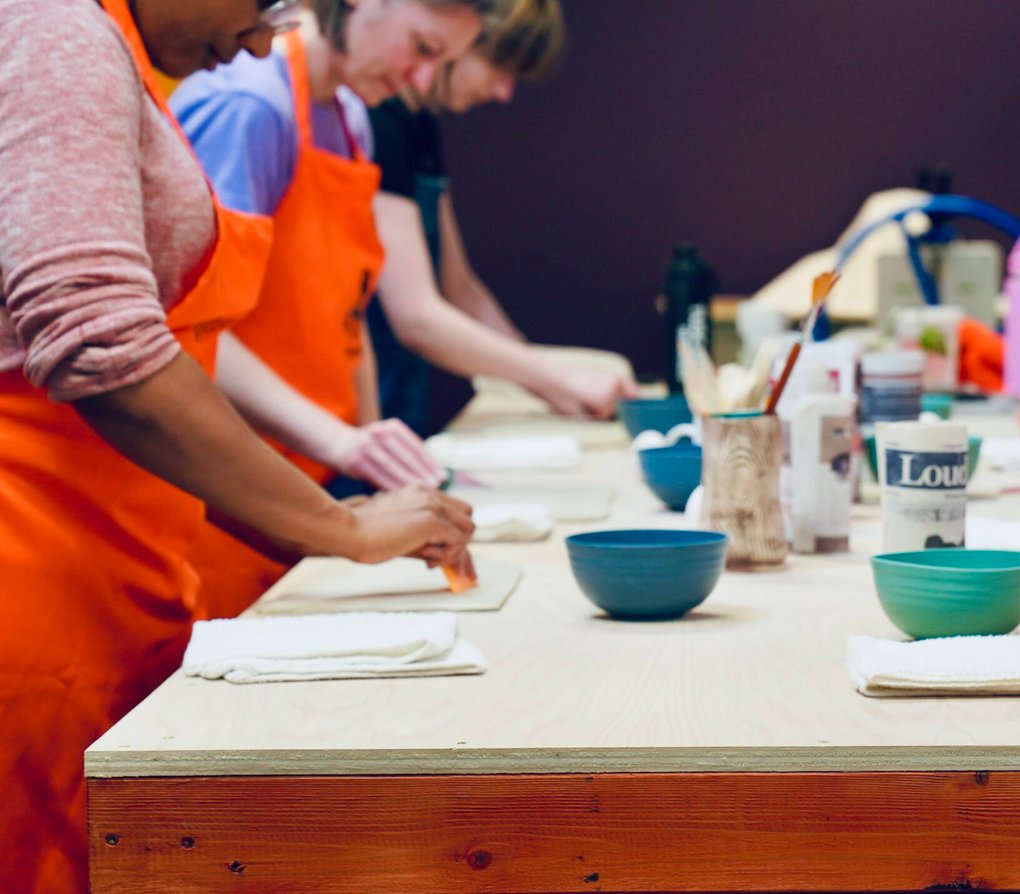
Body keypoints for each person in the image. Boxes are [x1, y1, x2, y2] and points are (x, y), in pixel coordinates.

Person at [0, 1, 475, 890]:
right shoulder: (55, 30)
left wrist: (325, 512)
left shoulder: (117, 56)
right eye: (263, 5)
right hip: (36, 583)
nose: (266, 40)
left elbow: (176, 352)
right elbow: (105, 345)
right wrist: (343, 530)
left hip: (117, 574)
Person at [171, 0, 497, 618]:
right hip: (229, 505)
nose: (423, 82)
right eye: (423, 49)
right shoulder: (250, 110)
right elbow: (189, 334)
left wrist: (384, 470)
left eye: (445, 62)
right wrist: (346, 444)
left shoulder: (350, 117)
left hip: (312, 494)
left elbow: (349, 313)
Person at [368, 0, 638, 439]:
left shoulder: (419, 126)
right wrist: (556, 377)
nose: (503, 92)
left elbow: (461, 291)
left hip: (401, 413)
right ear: (462, 38)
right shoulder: (378, 122)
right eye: (500, 67)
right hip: (360, 410)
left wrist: (551, 385)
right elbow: (416, 315)